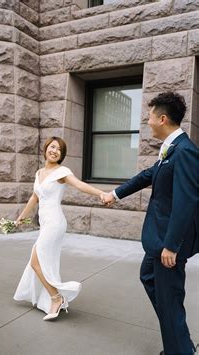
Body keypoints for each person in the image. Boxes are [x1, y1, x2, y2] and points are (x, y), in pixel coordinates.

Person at [101, 92, 198, 355]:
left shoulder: (186, 152)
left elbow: (186, 202)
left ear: (163, 118)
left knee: (170, 299)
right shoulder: (171, 149)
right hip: (157, 239)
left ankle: (180, 348)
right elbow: (148, 175)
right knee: (148, 277)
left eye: (150, 116)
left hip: (168, 243)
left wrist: (172, 245)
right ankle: (177, 333)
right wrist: (115, 194)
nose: (148, 121)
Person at [13, 137, 105, 320]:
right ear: (46, 148)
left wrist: (101, 193)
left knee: (35, 261)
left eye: (59, 150)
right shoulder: (39, 173)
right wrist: (21, 216)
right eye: (52, 147)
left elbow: (79, 185)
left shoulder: (62, 172)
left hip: (55, 222)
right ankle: (54, 298)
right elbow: (35, 197)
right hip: (45, 223)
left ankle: (56, 298)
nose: (55, 151)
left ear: (62, 155)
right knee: (45, 261)